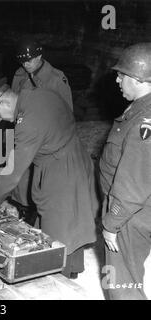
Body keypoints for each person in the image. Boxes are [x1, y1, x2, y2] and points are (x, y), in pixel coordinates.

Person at [0, 78, 98, 279]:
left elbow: (13, 172)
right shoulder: (41, 93)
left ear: (4, 102)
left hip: (60, 172)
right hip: (76, 157)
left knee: (57, 229)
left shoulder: (28, 123)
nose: (0, 120)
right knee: (72, 219)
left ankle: (57, 279)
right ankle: (72, 268)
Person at [99, 43, 151, 300]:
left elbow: (133, 183)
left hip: (131, 216)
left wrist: (112, 222)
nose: (117, 79)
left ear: (140, 79)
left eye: (123, 75)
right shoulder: (141, 109)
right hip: (138, 210)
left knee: (121, 286)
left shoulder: (144, 121)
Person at [9, 39, 74, 225]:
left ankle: (39, 217)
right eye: (22, 61)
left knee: (42, 182)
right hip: (25, 134)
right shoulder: (19, 74)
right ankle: (24, 210)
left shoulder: (56, 78)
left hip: (47, 140)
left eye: (29, 60)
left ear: (39, 56)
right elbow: (14, 104)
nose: (26, 64)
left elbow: (66, 114)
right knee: (21, 178)